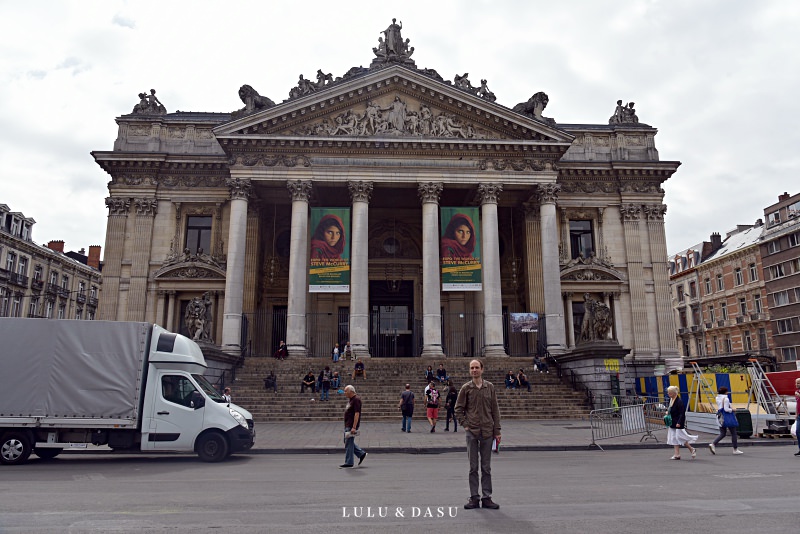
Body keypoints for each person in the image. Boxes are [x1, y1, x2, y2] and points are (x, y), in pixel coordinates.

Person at [455, 359, 501, 510]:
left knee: (486, 467)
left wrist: (497, 431)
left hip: (487, 431)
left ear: (482, 369)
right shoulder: (466, 388)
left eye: (476, 368)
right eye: (471, 368)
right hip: (472, 432)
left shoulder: (490, 387)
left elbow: (495, 410)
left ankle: (487, 497)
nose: (474, 370)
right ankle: (474, 497)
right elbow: (458, 409)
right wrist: (465, 424)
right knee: (473, 467)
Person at [665, 385, 698, 460]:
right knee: (674, 438)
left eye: (670, 393)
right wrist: (668, 412)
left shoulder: (679, 402)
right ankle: (677, 454)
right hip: (673, 422)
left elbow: (682, 413)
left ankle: (691, 449)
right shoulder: (671, 400)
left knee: (679, 437)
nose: (668, 394)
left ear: (674, 393)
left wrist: (679, 422)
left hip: (677, 422)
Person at [709, 386, 742, 455]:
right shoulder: (726, 399)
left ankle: (713, 444)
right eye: (727, 391)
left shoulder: (717, 398)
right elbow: (726, 409)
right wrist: (733, 410)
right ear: (725, 392)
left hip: (720, 417)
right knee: (733, 433)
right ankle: (735, 449)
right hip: (728, 417)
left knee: (723, 433)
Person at [340, 385, 367, 468]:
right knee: (347, 441)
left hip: (351, 424)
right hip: (348, 423)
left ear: (351, 391)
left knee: (348, 442)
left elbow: (357, 413)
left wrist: (354, 427)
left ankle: (349, 462)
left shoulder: (356, 400)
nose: (344, 393)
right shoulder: (351, 400)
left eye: (346, 391)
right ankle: (361, 454)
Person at [794, 378, 800, 457]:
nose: (797, 385)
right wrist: (796, 413)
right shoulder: (797, 392)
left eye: (798, 383)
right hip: (799, 415)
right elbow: (797, 404)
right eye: (796, 383)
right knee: (798, 431)